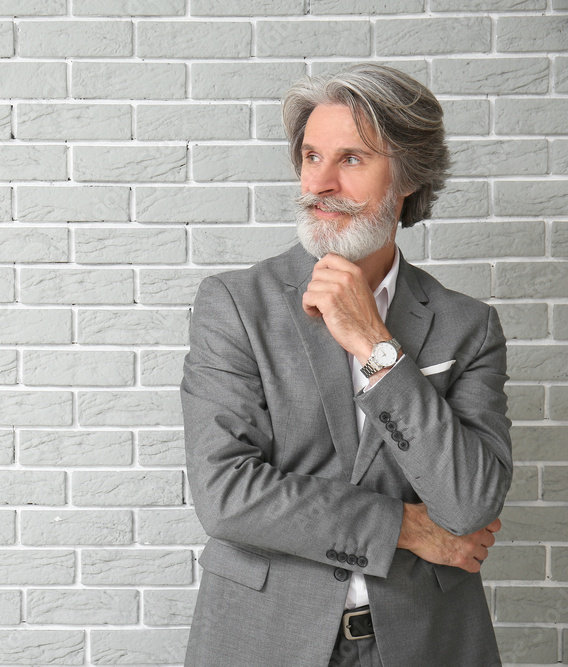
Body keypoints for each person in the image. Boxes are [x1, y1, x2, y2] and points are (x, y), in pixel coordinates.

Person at [181, 64, 512, 667]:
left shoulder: (469, 325)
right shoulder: (235, 306)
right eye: (311, 156)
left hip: (425, 641)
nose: (322, 182)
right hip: (264, 638)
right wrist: (405, 529)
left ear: (407, 177)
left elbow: (468, 505)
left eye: (352, 160)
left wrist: (376, 346)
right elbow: (225, 494)